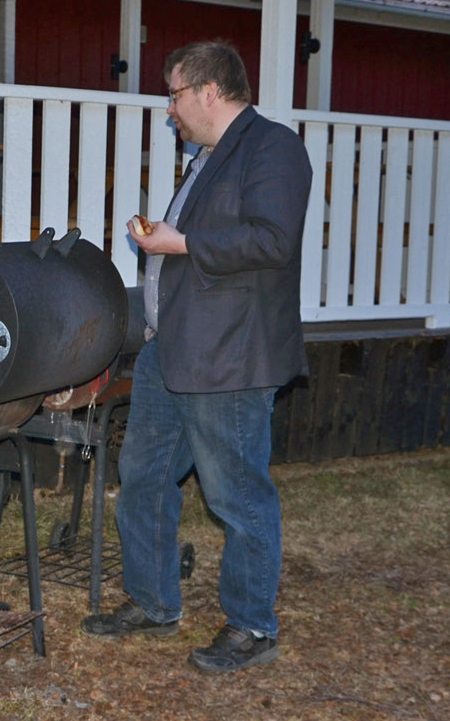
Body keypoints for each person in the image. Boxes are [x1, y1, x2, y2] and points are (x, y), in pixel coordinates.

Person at [82, 40, 312, 674]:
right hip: (172, 348)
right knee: (145, 476)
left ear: (210, 92)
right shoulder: (207, 157)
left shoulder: (273, 148)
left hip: (229, 355)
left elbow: (273, 240)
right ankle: (153, 601)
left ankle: (252, 626)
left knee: (236, 493)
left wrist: (180, 242)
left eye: (175, 94)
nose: (169, 108)